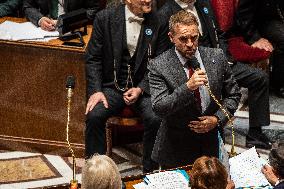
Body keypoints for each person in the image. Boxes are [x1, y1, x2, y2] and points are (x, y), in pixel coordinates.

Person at [158, 0, 271, 149]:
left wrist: (224, 57)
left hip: (218, 61)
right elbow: (164, 52)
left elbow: (219, 33)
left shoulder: (203, 3)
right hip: (192, 69)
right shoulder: (164, 13)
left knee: (259, 78)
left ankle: (255, 135)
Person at [148, 10, 241, 169]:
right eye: (183, 39)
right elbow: (159, 107)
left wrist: (217, 119)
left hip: (211, 145)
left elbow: (234, 95)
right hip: (176, 147)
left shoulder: (217, 57)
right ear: (171, 37)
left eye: (194, 37)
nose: (190, 44)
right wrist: (187, 87)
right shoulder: (158, 65)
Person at [84, 0, 169, 173]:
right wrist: (96, 91)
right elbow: (93, 58)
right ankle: (97, 174)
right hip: (112, 87)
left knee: (156, 117)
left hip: (143, 88)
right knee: (94, 115)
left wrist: (141, 88)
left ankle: (150, 171)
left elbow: (161, 62)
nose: (149, 0)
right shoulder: (105, 18)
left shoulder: (159, 21)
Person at [235, 0, 284, 99]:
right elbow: (243, 13)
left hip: (275, 15)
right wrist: (253, 37)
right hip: (256, 22)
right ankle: (280, 84)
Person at [23, 0, 101, 31]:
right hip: (44, 32)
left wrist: (67, 20)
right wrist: (40, 19)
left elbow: (94, 9)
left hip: (74, 30)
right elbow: (28, 6)